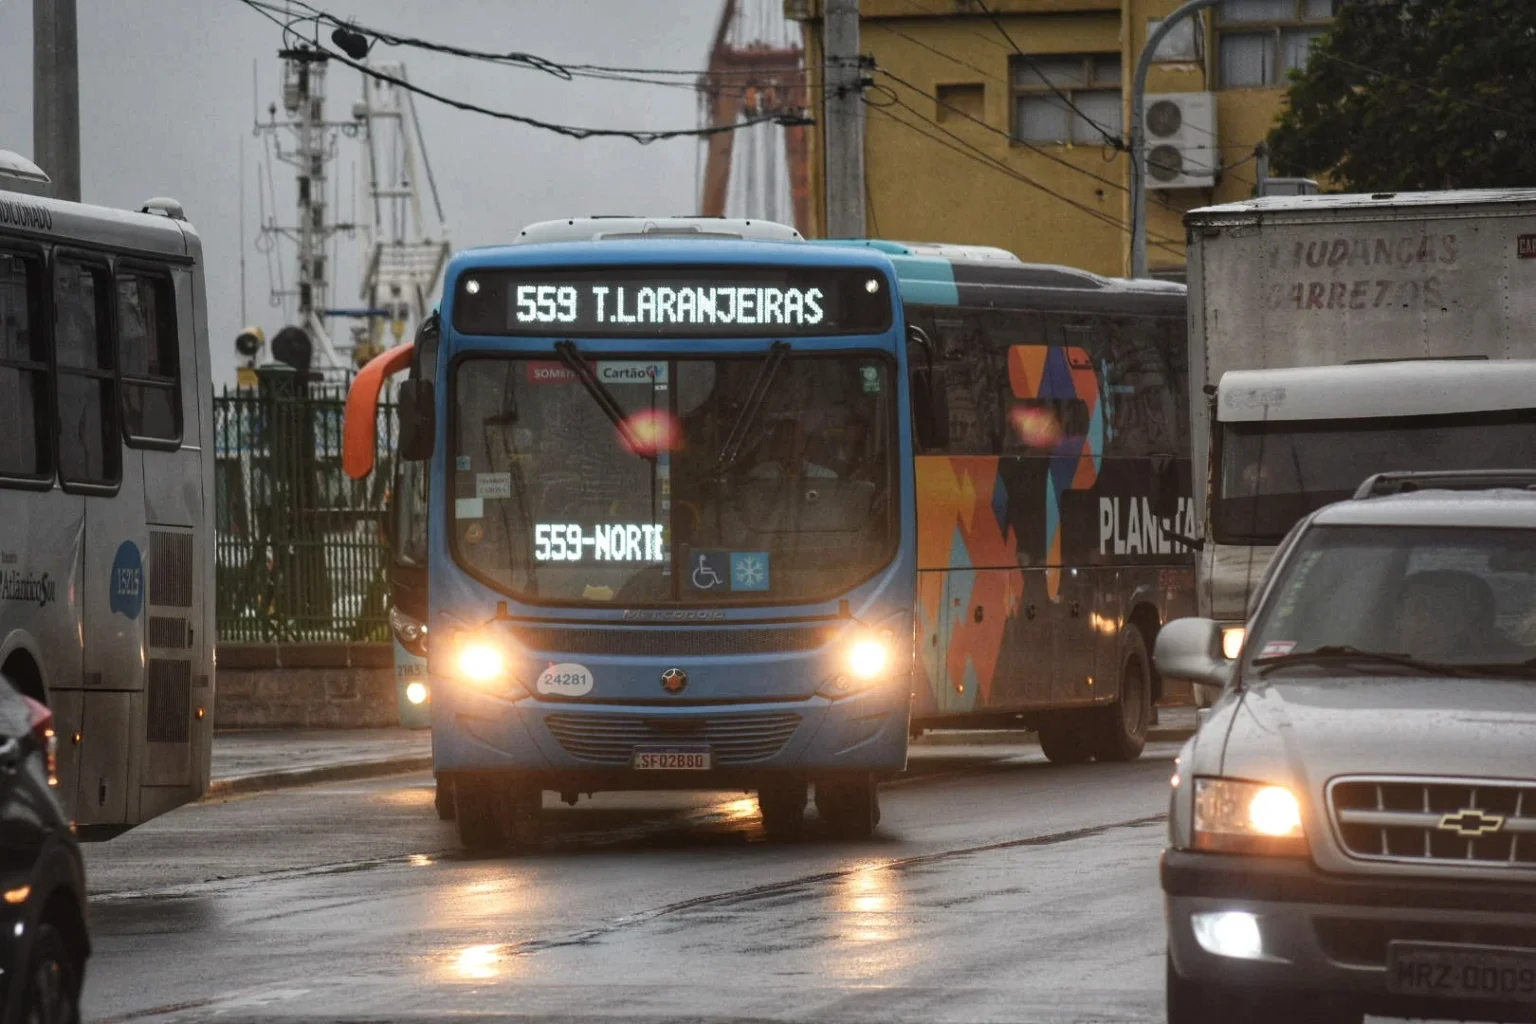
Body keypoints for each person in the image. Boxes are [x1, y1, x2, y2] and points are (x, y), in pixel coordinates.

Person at [1392, 569, 1499, 660]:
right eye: (1415, 611)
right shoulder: (1384, 664)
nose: (1426, 622)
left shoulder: (1504, 668)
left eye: (1437, 612)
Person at [748, 417, 836, 480]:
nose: (791, 447)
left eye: (795, 441)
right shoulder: (759, 474)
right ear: (776, 445)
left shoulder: (825, 477)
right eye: (785, 441)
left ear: (803, 444)